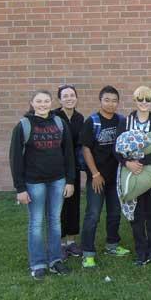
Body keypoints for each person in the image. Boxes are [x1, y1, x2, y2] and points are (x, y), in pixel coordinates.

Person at [9, 90, 75, 280]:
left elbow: (69, 154)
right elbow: (15, 158)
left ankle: (55, 260)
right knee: (36, 223)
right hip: (34, 182)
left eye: (46, 101)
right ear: (32, 103)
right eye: (39, 101)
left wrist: (70, 181)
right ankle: (38, 263)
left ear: (51, 102)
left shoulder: (59, 123)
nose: (43, 104)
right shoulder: (24, 125)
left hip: (57, 180)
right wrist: (20, 188)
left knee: (55, 221)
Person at [115, 86, 151, 266]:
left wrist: (143, 162)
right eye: (140, 99)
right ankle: (141, 253)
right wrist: (127, 163)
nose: (144, 103)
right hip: (132, 172)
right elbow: (116, 148)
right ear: (135, 100)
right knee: (137, 216)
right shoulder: (125, 122)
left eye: (148, 100)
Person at [80, 86, 130, 269]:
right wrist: (95, 174)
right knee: (93, 214)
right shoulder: (92, 122)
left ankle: (112, 245)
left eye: (114, 100)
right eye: (107, 100)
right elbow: (86, 149)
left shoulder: (121, 121)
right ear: (100, 101)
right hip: (97, 178)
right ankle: (88, 253)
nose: (110, 104)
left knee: (115, 212)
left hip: (115, 177)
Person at [54, 84, 85, 259]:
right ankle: (59, 243)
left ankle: (71, 242)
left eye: (72, 95)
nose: (69, 98)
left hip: (74, 167)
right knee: (59, 206)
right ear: (59, 99)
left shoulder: (80, 118)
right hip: (57, 167)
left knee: (73, 204)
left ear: (76, 98)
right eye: (65, 96)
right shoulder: (53, 117)